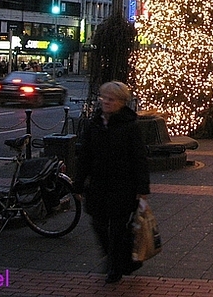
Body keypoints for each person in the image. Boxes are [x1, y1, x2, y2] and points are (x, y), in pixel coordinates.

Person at [75, 81, 150, 283]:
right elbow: (85, 156)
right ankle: (122, 259)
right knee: (98, 223)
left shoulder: (130, 126)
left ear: (121, 102)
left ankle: (115, 267)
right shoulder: (94, 124)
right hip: (98, 185)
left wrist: (142, 188)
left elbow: (139, 158)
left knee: (118, 228)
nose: (106, 102)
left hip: (122, 186)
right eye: (103, 98)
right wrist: (78, 183)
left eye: (111, 99)